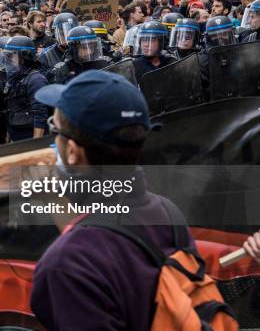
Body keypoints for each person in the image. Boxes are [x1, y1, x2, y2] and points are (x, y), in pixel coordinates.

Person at [31, 70, 196, 330]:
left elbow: (92, 247)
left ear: (72, 152)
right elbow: (102, 235)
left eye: (55, 127)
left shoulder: (65, 265)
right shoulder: (169, 213)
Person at [0, 36, 49, 141]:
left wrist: (35, 145)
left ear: (24, 58)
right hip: (17, 140)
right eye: (7, 56)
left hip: (30, 140)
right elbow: (12, 110)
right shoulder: (15, 78)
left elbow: (40, 116)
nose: (7, 60)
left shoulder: (36, 80)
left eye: (11, 56)